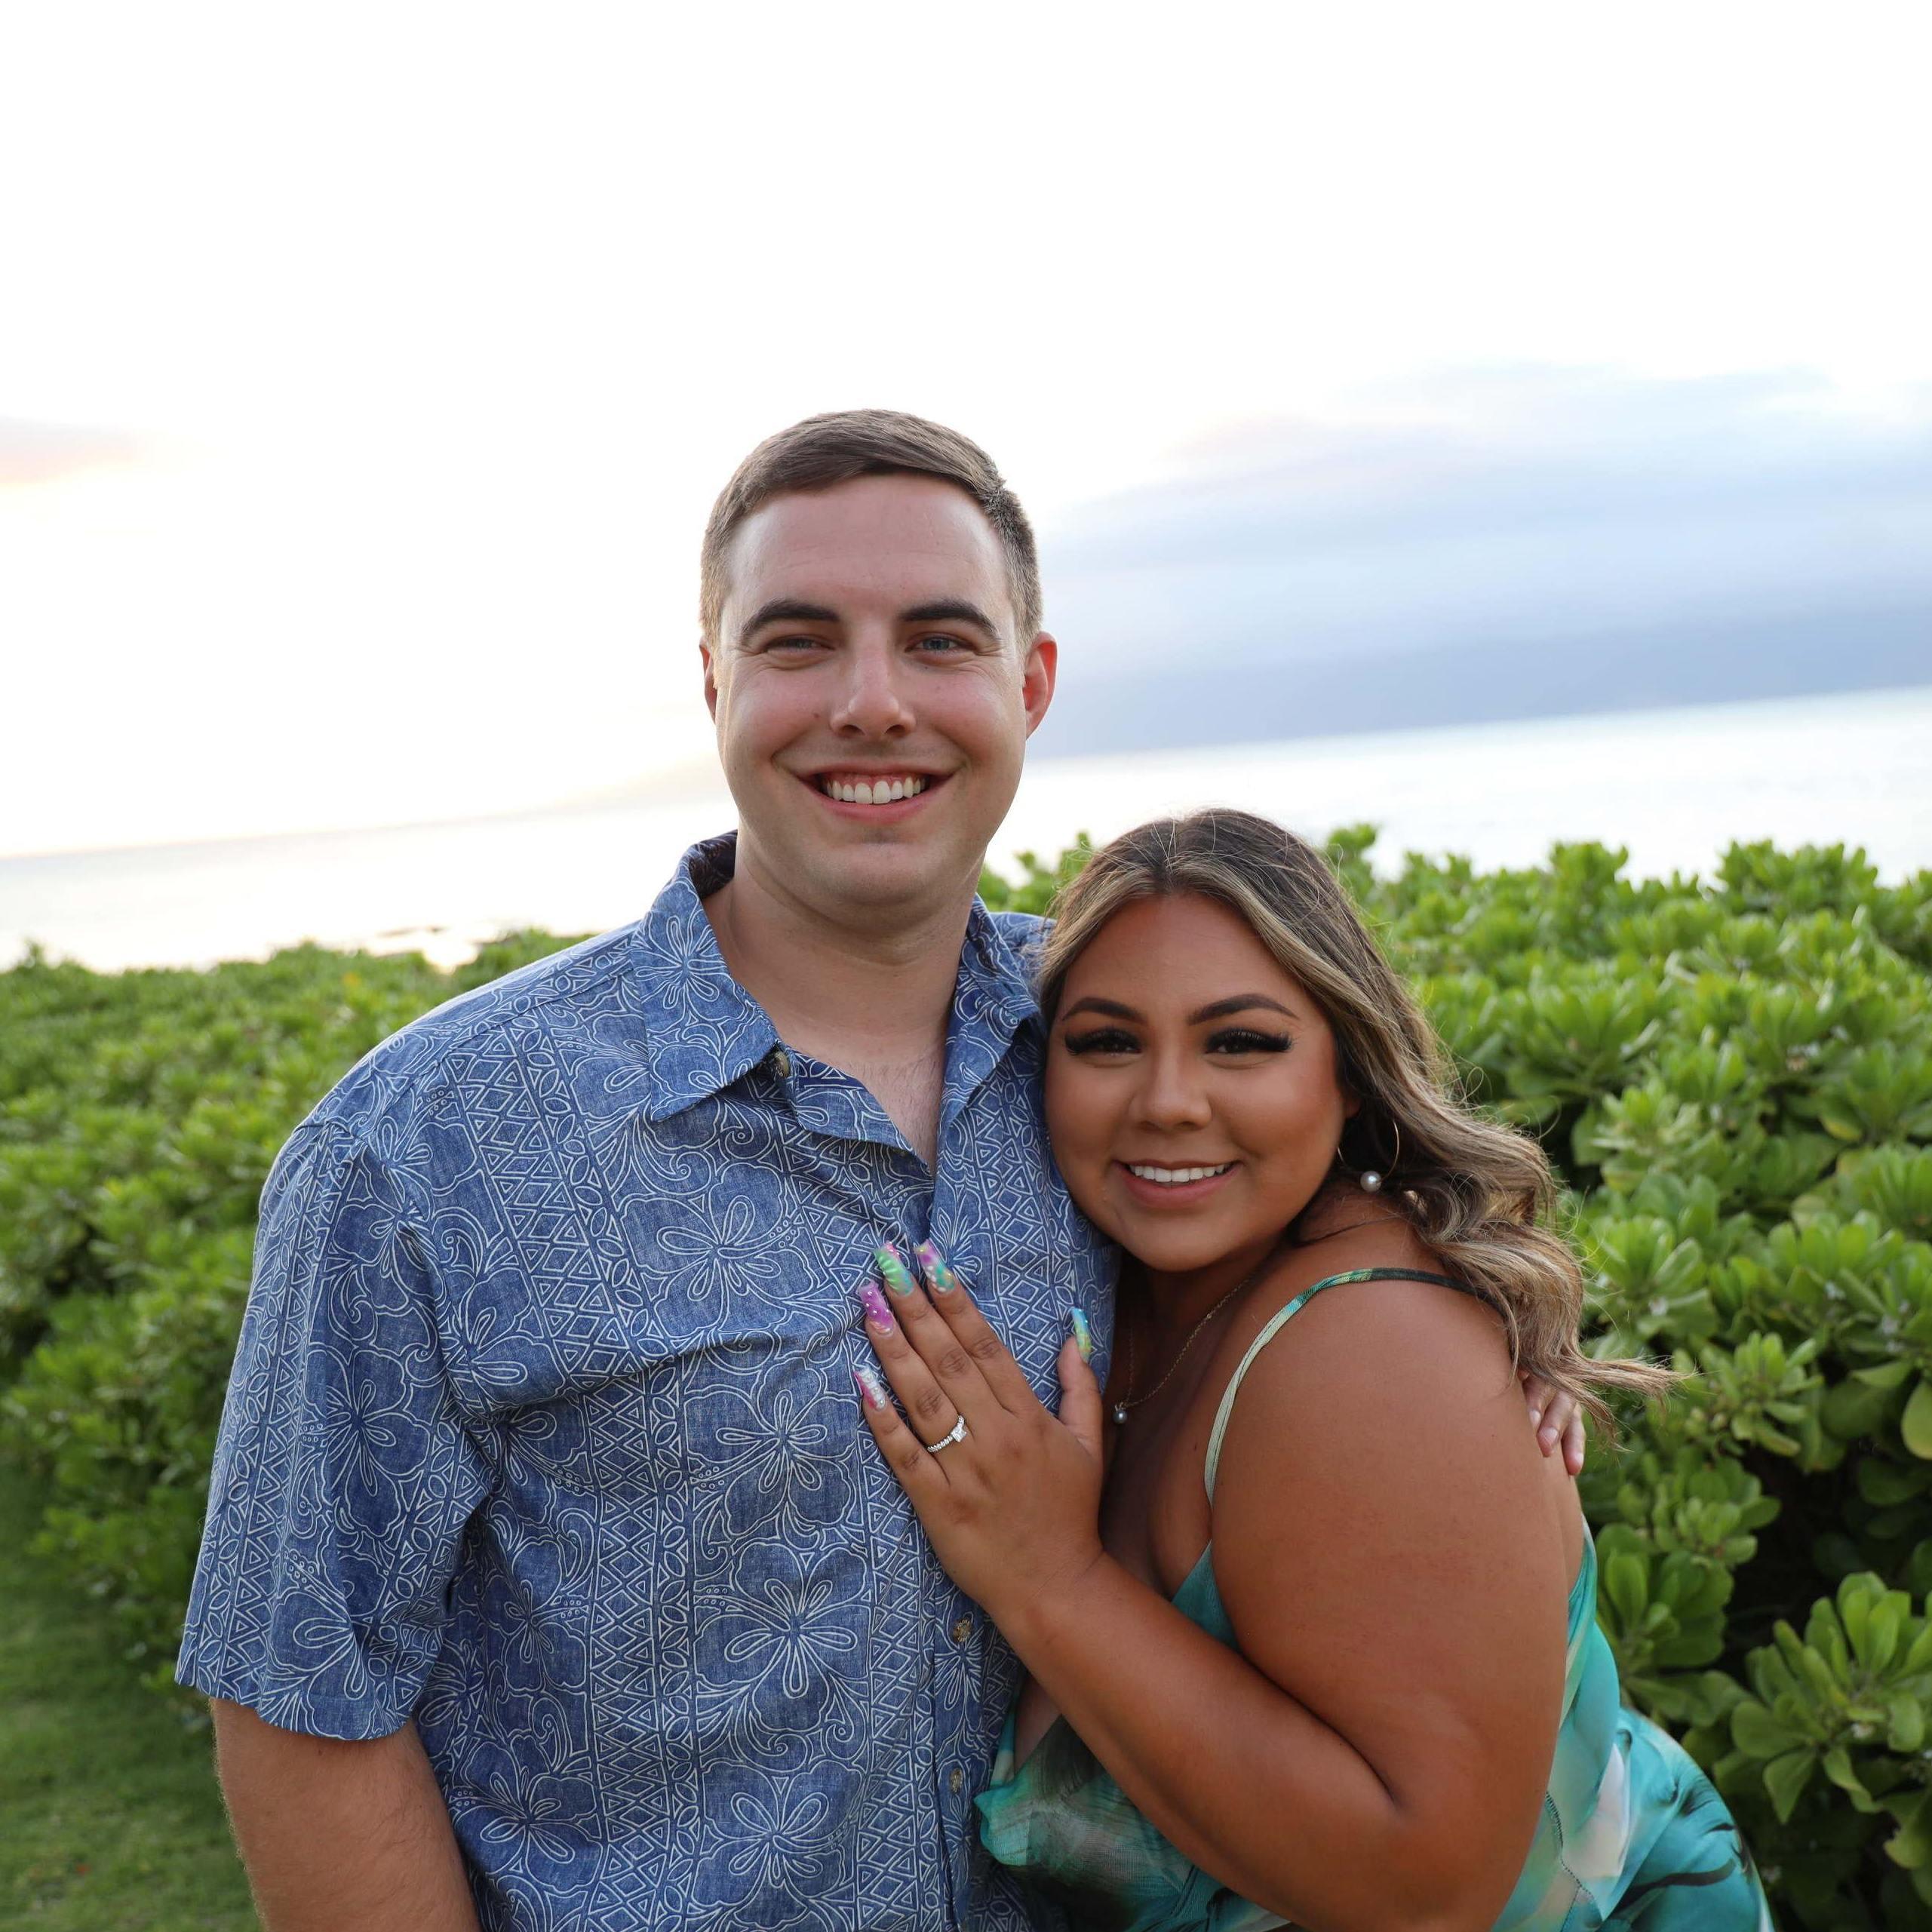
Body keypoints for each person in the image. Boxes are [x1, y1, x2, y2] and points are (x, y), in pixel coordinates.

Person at [176, 413, 1580, 1932]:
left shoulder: (1118, 1052)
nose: (870, 703)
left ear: (1026, 684)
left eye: (937, 640)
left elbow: (1355, 1246)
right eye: (797, 643)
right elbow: (305, 1688)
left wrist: (1511, 1340)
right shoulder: (426, 1150)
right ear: (715, 679)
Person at [852, 809, 1774, 1932]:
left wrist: (1051, 1578)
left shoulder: (1367, 1352)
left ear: (1347, 1072)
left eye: (1240, 1041)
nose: (1168, 1100)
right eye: (1106, 1041)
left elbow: (1427, 1890)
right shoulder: (1123, 1285)